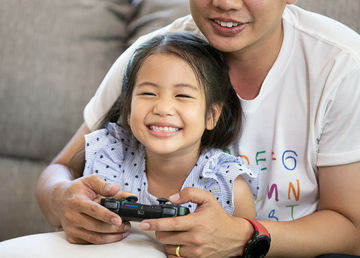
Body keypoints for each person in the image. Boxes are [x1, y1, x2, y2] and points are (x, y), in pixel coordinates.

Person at [36, 0, 360, 257]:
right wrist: (62, 200)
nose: (225, 2)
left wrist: (244, 234)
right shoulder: (152, 57)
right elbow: (61, 168)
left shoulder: (340, 64)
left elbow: (352, 231)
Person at [82, 31, 258, 222]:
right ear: (129, 108)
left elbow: (244, 247)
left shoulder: (227, 187)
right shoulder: (109, 158)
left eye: (182, 96)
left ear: (211, 115)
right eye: (149, 93)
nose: (163, 109)